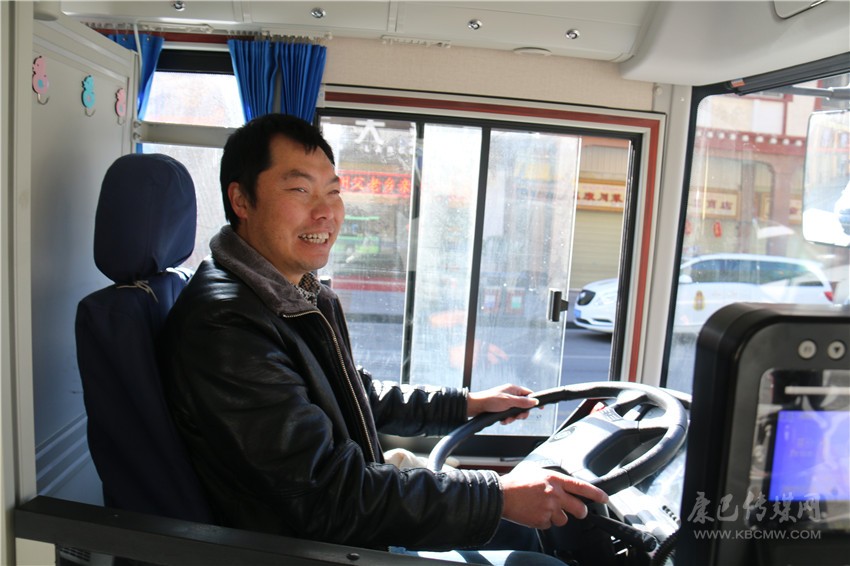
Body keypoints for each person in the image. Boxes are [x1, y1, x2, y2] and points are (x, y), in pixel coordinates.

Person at [160, 113, 607, 562]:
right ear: (241, 199)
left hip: (346, 529)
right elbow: (326, 495)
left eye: (333, 191)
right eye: (299, 190)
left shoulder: (291, 293)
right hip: (310, 550)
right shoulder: (226, 327)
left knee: (525, 537)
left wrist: (467, 404)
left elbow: (353, 394)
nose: (325, 212)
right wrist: (498, 496)